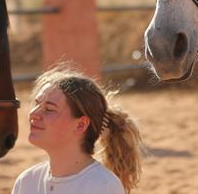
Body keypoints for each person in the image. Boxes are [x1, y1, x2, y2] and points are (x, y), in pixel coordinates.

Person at [12, 66, 143, 194]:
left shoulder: (103, 186)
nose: (33, 114)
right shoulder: (26, 181)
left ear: (81, 125)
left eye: (49, 109)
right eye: (37, 104)